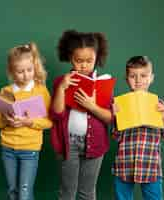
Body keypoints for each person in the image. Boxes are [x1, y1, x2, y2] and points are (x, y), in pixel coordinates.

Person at [50, 29, 113, 200]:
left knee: (88, 192)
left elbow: (110, 118)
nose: (84, 65)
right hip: (68, 143)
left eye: (89, 61)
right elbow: (56, 114)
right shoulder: (60, 82)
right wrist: (62, 89)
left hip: (96, 143)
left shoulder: (103, 83)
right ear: (71, 58)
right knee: (67, 191)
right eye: (79, 61)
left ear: (97, 58)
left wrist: (91, 106)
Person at [0, 42, 52, 200]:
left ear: (35, 67)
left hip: (30, 149)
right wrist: (7, 121)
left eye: (29, 70)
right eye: (20, 72)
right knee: (13, 190)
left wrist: (28, 122)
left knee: (25, 192)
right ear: (12, 71)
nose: (26, 75)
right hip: (8, 148)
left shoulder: (40, 90)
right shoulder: (5, 92)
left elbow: (49, 122)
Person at [112, 56, 164, 200]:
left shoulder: (158, 103)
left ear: (151, 78)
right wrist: (115, 118)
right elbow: (115, 137)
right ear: (127, 78)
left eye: (143, 75)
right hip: (124, 163)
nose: (138, 80)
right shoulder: (120, 104)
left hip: (150, 164)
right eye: (133, 76)